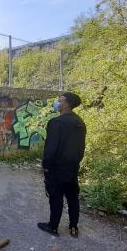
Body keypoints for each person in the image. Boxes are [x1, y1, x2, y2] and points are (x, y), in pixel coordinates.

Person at [38, 92, 86, 238]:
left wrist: (46, 165)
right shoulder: (79, 122)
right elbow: (81, 147)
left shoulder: (56, 122)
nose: (57, 102)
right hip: (72, 168)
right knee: (72, 197)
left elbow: (51, 148)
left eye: (60, 100)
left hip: (57, 169)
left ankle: (53, 226)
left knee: (56, 196)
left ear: (67, 103)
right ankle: (73, 227)